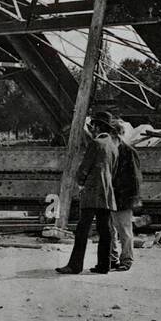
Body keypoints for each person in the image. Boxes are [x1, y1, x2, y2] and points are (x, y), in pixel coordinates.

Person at [56, 111, 120, 275]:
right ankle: (104, 265)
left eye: (93, 126)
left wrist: (80, 183)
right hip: (106, 194)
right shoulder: (113, 146)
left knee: (82, 229)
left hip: (92, 193)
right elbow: (113, 171)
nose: (91, 129)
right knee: (105, 229)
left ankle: (75, 265)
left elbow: (85, 167)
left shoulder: (95, 143)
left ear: (98, 127)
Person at [109, 121, 144, 271]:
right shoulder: (109, 151)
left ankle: (126, 261)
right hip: (110, 197)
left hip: (123, 198)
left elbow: (136, 178)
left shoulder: (129, 152)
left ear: (116, 135)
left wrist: (133, 199)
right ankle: (111, 259)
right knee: (109, 229)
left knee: (124, 231)